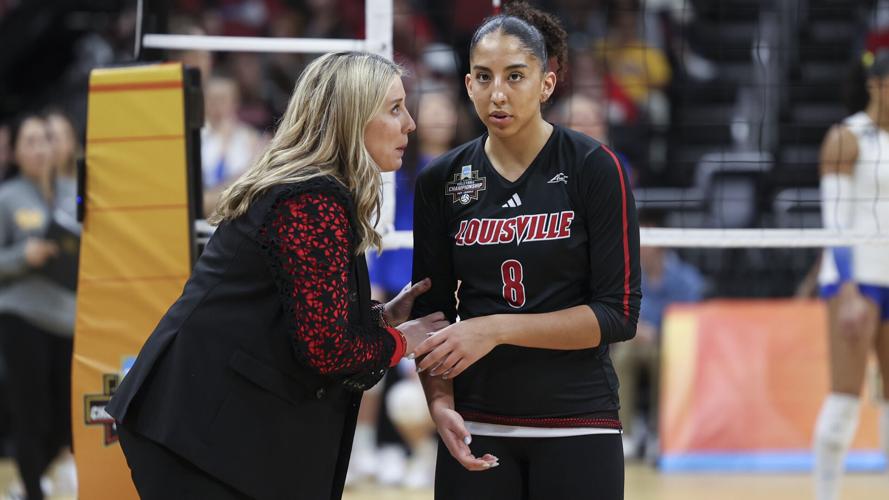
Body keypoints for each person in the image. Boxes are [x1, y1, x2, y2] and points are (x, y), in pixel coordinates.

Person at [105, 51, 449, 500]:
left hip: (202, 424)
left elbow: (299, 316)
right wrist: (405, 341)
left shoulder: (312, 190)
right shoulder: (311, 198)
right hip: (194, 428)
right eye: (394, 108)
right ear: (352, 117)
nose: (410, 124)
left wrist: (381, 318)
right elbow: (326, 350)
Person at [410, 2, 641, 499]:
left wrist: (494, 329)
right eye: (484, 76)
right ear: (468, 85)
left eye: (516, 76)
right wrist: (440, 402)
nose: (498, 93)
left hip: (579, 420)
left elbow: (618, 314)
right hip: (477, 421)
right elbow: (430, 313)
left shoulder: (594, 167)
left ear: (547, 83)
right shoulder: (441, 180)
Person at [812, 50, 889, 500]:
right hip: (855, 279)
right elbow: (834, 221)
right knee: (845, 397)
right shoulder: (847, 137)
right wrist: (848, 289)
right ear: (877, 85)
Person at [0, 114, 74, 500]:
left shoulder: (72, 191)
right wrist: (22, 256)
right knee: (32, 415)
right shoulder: (7, 197)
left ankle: (30, 485)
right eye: (29, 141)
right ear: (15, 152)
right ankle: (32, 492)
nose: (39, 147)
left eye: (44, 139)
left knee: (64, 420)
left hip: (66, 317)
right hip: (22, 316)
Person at [611, 209, 704, 460]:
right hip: (632, 341)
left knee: (665, 357)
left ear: (661, 242)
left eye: (647, 240)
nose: (641, 246)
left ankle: (659, 432)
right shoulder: (627, 276)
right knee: (623, 355)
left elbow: (693, 322)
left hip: (669, 346)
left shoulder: (686, 280)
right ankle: (626, 434)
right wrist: (635, 330)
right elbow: (617, 312)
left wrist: (660, 333)